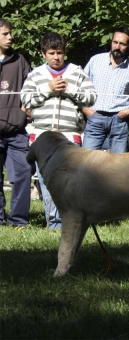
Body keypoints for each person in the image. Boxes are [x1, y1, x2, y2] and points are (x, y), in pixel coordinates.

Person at [21, 32, 97, 230]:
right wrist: (48, 88)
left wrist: (69, 90)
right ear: (43, 54)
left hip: (70, 134)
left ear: (65, 53)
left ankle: (70, 221)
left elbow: (91, 97)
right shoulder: (35, 74)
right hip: (42, 136)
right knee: (47, 182)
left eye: (60, 53)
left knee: (70, 181)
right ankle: (54, 223)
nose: (56, 57)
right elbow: (26, 100)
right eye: (52, 53)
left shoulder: (77, 72)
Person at [81, 27, 129, 154]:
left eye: (122, 44)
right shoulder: (95, 61)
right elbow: (80, 86)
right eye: (115, 42)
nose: (117, 46)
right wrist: (86, 109)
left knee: (118, 166)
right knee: (86, 162)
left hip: (119, 119)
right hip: (95, 116)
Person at [0, 18, 31, 228]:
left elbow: (30, 88)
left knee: (24, 172)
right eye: (5, 34)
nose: (11, 37)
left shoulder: (19, 60)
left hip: (16, 131)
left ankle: (18, 220)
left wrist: (24, 112)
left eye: (10, 33)